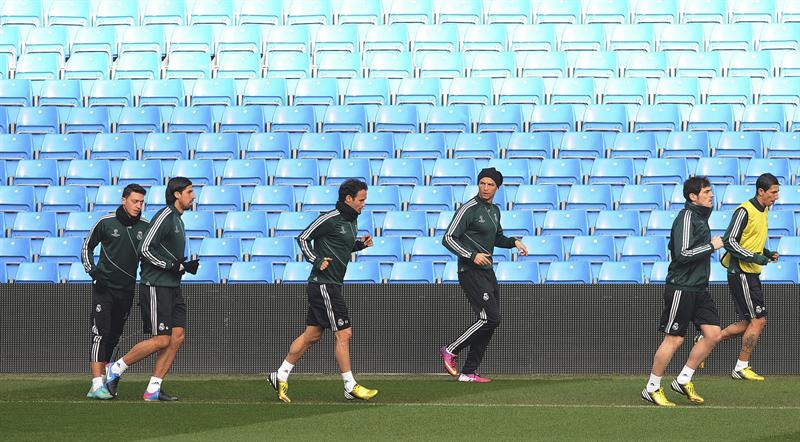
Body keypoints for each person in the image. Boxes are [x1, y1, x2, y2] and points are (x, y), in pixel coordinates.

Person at [268, 179, 378, 403]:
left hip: (331, 284)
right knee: (344, 333)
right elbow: (303, 238)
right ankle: (349, 385)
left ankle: (280, 374)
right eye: (361, 200)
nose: (364, 204)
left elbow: (341, 245)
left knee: (312, 335)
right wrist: (316, 260)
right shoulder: (330, 218)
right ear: (348, 198)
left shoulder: (351, 221)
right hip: (323, 284)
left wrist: (359, 245)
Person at [104, 177, 199, 401]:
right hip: (156, 286)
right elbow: (144, 248)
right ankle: (115, 368)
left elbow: (163, 253)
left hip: (172, 286)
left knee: (177, 337)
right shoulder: (165, 216)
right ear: (177, 194)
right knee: (162, 339)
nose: (192, 196)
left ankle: (153, 388)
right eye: (189, 192)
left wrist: (183, 265)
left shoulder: (178, 219)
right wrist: (173, 265)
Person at [439, 167, 528, 383]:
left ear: (497, 187)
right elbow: (448, 238)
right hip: (470, 271)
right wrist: (472, 255)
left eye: (490, 184)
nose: (486, 188)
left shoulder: (494, 210)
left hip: (487, 271)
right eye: (482, 183)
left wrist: (514, 242)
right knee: (490, 318)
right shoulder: (468, 208)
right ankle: (451, 350)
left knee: (491, 320)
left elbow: (497, 238)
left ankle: (469, 372)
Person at [641, 176, 724, 407]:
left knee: (713, 334)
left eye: (711, 191)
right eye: (706, 192)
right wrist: (711, 246)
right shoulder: (686, 218)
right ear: (693, 196)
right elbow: (682, 254)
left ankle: (683, 379)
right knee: (675, 339)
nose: (711, 195)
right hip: (681, 287)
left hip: (698, 288)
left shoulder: (699, 218)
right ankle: (652, 387)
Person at [82, 184, 150, 400]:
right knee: (99, 334)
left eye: (141, 202)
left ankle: (105, 380)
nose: (138, 206)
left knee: (114, 336)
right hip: (104, 288)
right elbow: (86, 247)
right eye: (134, 201)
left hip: (127, 290)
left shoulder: (146, 226)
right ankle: (95, 384)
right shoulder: (105, 222)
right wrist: (93, 273)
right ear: (124, 200)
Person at [717, 173, 780, 381]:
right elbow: (730, 241)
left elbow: (752, 239)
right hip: (740, 271)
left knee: (748, 323)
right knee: (759, 320)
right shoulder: (745, 210)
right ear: (761, 191)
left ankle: (709, 339)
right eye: (773, 192)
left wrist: (766, 252)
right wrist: (754, 257)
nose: (776, 196)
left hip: (751, 272)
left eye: (777, 192)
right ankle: (740, 367)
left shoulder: (764, 210)